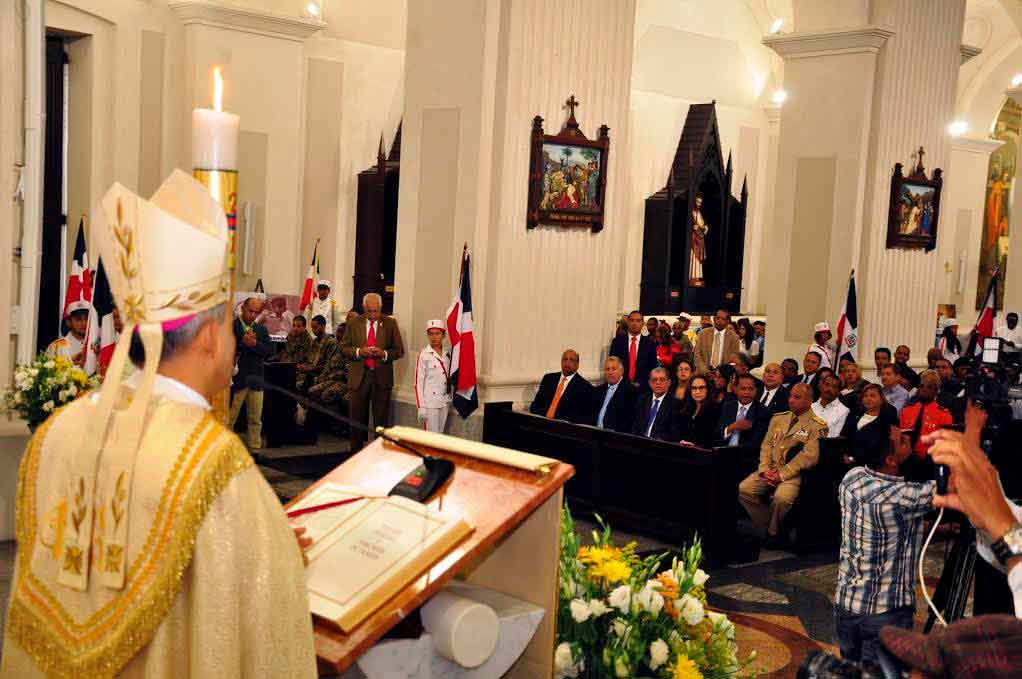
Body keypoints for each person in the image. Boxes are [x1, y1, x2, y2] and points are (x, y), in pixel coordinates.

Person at [0, 171, 315, 677]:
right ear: (210, 338)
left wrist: (266, 541)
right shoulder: (215, 465)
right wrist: (276, 556)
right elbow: (258, 615)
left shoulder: (58, 429)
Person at [834, 422, 934, 667]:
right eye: (902, 440)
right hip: (886, 614)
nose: (909, 439)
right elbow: (959, 488)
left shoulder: (852, 478)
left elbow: (881, 520)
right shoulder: (904, 496)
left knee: (851, 671)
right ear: (891, 460)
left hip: (847, 605)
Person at [738, 384, 828, 546]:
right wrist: (765, 470)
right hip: (771, 469)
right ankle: (770, 527)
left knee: (782, 498)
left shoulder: (817, 425)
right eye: (791, 396)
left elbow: (808, 457)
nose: (791, 400)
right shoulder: (779, 418)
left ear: (809, 400)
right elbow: (766, 446)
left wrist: (781, 475)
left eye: (797, 397)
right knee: (745, 489)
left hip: (793, 474)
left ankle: (773, 535)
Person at [341, 292, 405, 451]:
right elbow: (343, 348)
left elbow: (399, 351)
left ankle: (378, 455)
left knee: (381, 422)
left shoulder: (390, 323)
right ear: (364, 308)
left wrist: (383, 354)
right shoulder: (354, 323)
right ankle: (355, 454)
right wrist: (358, 352)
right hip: (358, 379)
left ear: (381, 308)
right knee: (355, 421)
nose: (373, 315)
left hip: (381, 379)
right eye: (369, 311)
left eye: (376, 311)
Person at [230, 297, 274, 450]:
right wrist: (243, 343)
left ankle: (255, 448)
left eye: (257, 312)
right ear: (242, 308)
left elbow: (270, 351)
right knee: (230, 419)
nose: (253, 315)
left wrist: (254, 344)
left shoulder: (261, 329)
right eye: (250, 311)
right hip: (237, 379)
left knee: (255, 419)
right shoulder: (232, 326)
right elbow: (226, 349)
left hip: (256, 379)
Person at [529, 349, 594, 424]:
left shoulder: (585, 386)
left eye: (571, 360)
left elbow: (581, 415)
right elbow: (535, 405)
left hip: (564, 429)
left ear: (577, 364)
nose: (567, 362)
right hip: (542, 423)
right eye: (565, 359)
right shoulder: (548, 379)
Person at [899, 370, 953, 460]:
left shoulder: (944, 415)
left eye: (929, 387)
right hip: (906, 458)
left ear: (936, 391)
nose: (924, 389)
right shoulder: (906, 411)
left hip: (930, 461)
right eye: (921, 386)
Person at [841, 384, 899, 460]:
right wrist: (844, 454)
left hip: (874, 460)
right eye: (865, 396)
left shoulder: (888, 418)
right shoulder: (854, 413)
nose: (868, 399)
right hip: (848, 458)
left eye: (872, 396)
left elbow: (888, 444)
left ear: (881, 400)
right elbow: (844, 435)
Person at [414, 320, 452, 433]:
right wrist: (421, 406)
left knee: (440, 435)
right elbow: (418, 383)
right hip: (430, 402)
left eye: (437, 333)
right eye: (431, 334)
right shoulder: (424, 355)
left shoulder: (448, 353)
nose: (434, 337)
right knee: (431, 436)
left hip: (444, 400)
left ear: (443, 335)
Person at [717, 374, 769, 448]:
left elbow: (757, 442)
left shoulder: (763, 411)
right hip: (721, 451)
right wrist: (731, 428)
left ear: (756, 390)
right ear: (736, 389)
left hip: (746, 455)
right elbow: (716, 435)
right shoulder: (727, 406)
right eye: (743, 389)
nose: (747, 392)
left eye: (751, 389)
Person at [610, 310, 658, 389]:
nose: (634, 323)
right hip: (620, 387)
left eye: (638, 321)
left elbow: (652, 368)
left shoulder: (650, 344)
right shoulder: (617, 342)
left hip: (642, 389)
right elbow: (612, 364)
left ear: (643, 324)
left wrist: (640, 384)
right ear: (628, 322)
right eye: (632, 320)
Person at [631, 367, 679, 440]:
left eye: (662, 380)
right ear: (649, 383)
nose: (658, 383)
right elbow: (635, 426)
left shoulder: (675, 404)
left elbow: (673, 433)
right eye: (654, 380)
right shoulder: (642, 400)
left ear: (669, 383)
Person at [592, 356, 637, 433]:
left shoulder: (630, 391)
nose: (610, 372)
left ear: (621, 371)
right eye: (607, 369)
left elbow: (629, 420)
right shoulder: (599, 390)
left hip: (615, 436)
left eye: (614, 369)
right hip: (594, 433)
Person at [677, 374, 721, 447]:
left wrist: (696, 445)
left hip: (704, 452)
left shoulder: (715, 409)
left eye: (701, 388)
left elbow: (714, 438)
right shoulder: (685, 408)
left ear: (708, 389)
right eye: (694, 388)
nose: (697, 392)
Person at [694, 307, 740, 373]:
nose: (719, 321)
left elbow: (734, 359)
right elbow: (697, 355)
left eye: (723, 319)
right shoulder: (703, 333)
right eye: (717, 318)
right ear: (714, 319)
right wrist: (705, 371)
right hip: (703, 373)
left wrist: (721, 373)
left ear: (727, 321)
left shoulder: (734, 337)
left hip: (723, 375)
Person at [297, 314, 335, 392]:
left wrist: (311, 368)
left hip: (320, 374)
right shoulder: (315, 341)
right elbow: (310, 359)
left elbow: (327, 365)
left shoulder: (330, 342)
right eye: (312, 328)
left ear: (323, 326)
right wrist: (303, 366)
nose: (313, 331)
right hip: (310, 372)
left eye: (315, 327)